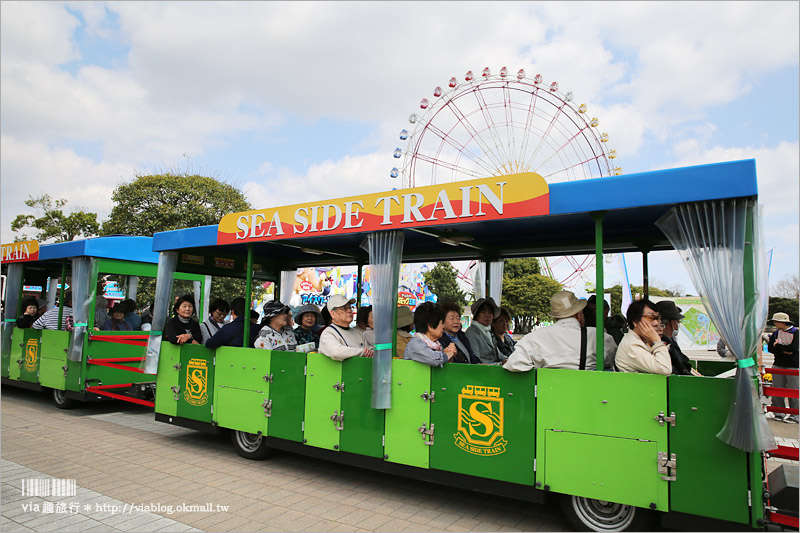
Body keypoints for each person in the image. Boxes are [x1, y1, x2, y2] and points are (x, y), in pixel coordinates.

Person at [504, 291, 616, 372]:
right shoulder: (598, 336)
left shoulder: (534, 337)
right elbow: (613, 362)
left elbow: (514, 364)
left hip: (547, 397)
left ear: (555, 317)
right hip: (589, 396)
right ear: (579, 314)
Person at [614, 299, 672, 374]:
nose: (656, 323)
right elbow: (665, 369)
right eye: (650, 318)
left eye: (657, 318)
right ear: (635, 321)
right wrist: (657, 342)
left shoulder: (644, 341)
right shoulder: (632, 345)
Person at [318, 295, 373, 361]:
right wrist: (362, 352)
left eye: (350, 307)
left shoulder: (358, 333)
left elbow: (370, 353)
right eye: (343, 308)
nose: (349, 311)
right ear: (333, 314)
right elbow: (336, 352)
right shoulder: (328, 333)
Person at [767, 312, 798, 423]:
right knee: (776, 389)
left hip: (793, 366)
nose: (775, 323)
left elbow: (793, 348)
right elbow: (770, 348)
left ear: (782, 322)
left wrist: (778, 346)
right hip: (778, 363)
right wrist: (783, 349)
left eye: (776, 321)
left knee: (793, 391)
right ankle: (778, 412)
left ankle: (795, 415)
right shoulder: (776, 333)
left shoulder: (796, 332)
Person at [656, 300, 701, 376]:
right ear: (673, 322)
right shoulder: (664, 343)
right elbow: (680, 367)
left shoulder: (671, 341)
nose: (678, 324)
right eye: (678, 321)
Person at [403, 302, 456, 367]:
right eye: (441, 323)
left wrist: (448, 354)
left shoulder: (437, 345)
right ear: (430, 327)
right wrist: (449, 353)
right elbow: (435, 360)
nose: (443, 326)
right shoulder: (416, 344)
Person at [465, 297, 503, 364]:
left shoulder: (489, 331)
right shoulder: (471, 333)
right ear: (476, 315)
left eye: (490, 312)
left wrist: (507, 359)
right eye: (483, 312)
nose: (487, 315)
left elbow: (497, 353)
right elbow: (476, 360)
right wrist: (498, 364)